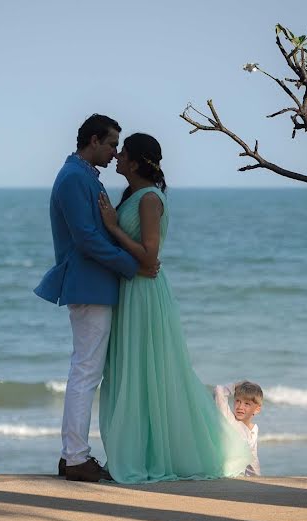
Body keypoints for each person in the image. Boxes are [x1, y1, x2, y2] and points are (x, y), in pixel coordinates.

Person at [97, 133, 252, 483]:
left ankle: (152, 455)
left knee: (148, 373)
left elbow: (150, 254)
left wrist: (111, 228)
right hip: (130, 287)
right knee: (129, 374)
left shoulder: (150, 199)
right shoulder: (133, 196)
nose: (117, 157)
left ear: (136, 162)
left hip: (144, 292)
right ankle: (134, 450)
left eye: (123, 153)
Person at [34, 114, 157, 483]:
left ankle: (72, 455)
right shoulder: (73, 178)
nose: (115, 152)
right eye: (110, 144)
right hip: (88, 284)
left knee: (86, 371)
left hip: (95, 284)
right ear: (92, 140)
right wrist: (132, 266)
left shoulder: (84, 176)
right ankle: (75, 458)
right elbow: (87, 239)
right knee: (85, 371)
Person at [213, 381, 263, 476]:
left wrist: (257, 479)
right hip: (221, 473)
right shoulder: (227, 418)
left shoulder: (254, 430)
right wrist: (235, 386)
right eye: (237, 401)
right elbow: (218, 391)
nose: (240, 407)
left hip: (239, 477)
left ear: (257, 409)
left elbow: (253, 459)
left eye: (247, 404)